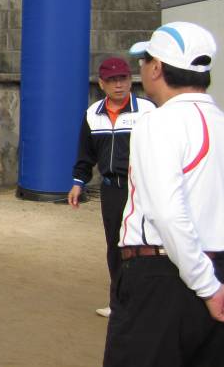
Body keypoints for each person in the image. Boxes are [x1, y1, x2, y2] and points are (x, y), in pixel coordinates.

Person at [104, 22, 224, 365]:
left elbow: (168, 212)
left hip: (164, 276)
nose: (140, 68)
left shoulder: (158, 122)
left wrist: (207, 285)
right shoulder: (218, 120)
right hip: (211, 267)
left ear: (157, 68)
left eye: (145, 60)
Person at [67, 57, 155, 318]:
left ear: (131, 80)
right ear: (102, 84)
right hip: (112, 190)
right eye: (113, 81)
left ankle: (146, 303)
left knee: (146, 243)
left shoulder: (148, 111)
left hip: (143, 189)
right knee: (115, 245)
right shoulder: (93, 115)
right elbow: (86, 154)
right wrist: (77, 182)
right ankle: (117, 302)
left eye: (124, 79)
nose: (119, 85)